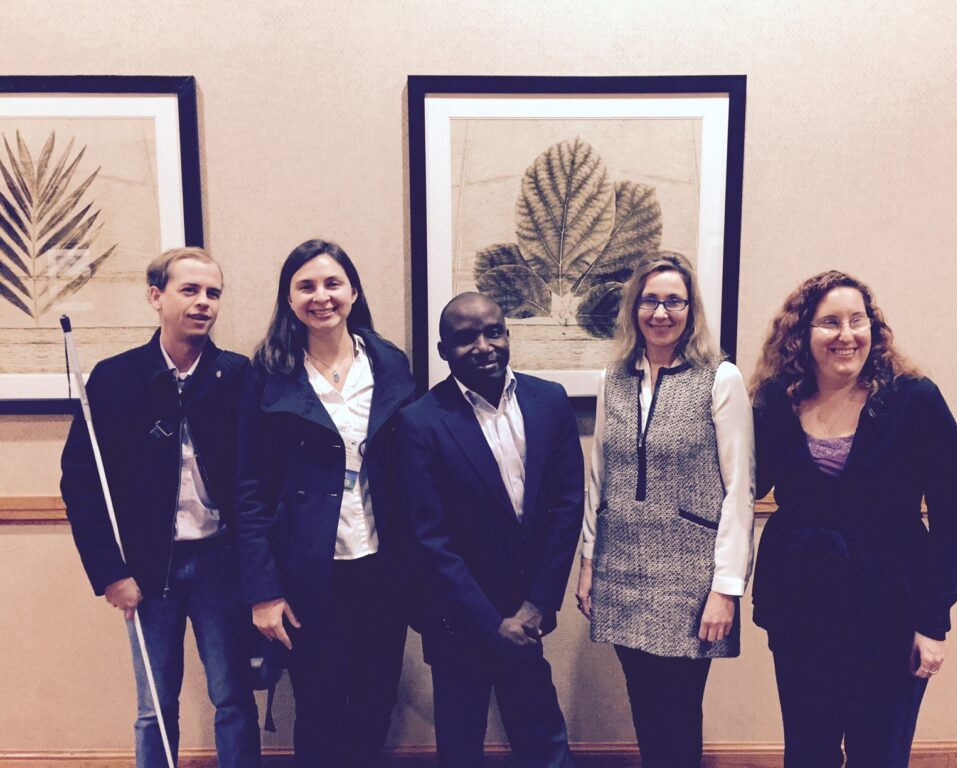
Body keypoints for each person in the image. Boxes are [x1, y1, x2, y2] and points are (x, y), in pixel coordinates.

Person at [748, 270, 957, 768]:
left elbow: (950, 522)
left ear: (873, 328)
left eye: (857, 320)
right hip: (802, 607)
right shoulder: (776, 401)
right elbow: (749, 483)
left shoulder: (916, 400)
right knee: (808, 752)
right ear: (802, 333)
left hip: (891, 609)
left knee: (879, 754)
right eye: (830, 322)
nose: (846, 335)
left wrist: (934, 622)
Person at [60, 247, 260, 767]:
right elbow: (82, 484)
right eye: (189, 290)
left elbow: (257, 479)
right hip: (149, 567)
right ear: (156, 296)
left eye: (213, 293)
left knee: (234, 698)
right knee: (155, 703)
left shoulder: (237, 375)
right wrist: (110, 572)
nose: (203, 302)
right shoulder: (115, 378)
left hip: (222, 563)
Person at [235, 239, 414, 768]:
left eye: (333, 283)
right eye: (306, 286)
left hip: (382, 565)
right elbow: (249, 489)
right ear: (289, 299)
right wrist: (264, 592)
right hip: (309, 573)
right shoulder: (268, 372)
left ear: (353, 291)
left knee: (377, 699)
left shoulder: (389, 362)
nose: (321, 297)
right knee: (319, 705)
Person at [574, 252, 755, 768]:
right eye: (650, 300)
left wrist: (726, 588)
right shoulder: (614, 378)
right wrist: (588, 561)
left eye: (674, 301)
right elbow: (600, 477)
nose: (660, 313)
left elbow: (740, 490)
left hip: (690, 578)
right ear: (634, 308)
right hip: (622, 570)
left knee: (678, 710)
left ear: (690, 309)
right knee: (645, 707)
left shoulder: (719, 379)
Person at [396, 292, 584, 768]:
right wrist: (492, 624)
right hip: (457, 620)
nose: (483, 347)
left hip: (529, 614)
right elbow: (429, 538)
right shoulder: (420, 422)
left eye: (493, 332)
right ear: (443, 351)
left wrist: (536, 605)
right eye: (465, 339)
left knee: (544, 742)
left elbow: (566, 508)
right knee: (460, 746)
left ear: (507, 334)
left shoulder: (549, 401)